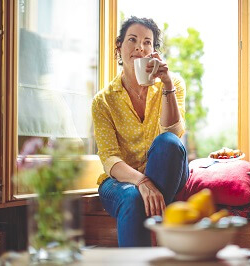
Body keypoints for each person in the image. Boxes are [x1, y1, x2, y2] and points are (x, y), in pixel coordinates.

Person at [91, 16, 189, 247]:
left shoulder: (173, 83)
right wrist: (142, 181)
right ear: (119, 47)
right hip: (120, 181)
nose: (139, 47)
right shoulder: (103, 101)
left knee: (167, 142)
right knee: (133, 197)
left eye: (147, 42)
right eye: (132, 40)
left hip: (167, 170)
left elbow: (173, 133)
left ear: (153, 51)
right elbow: (110, 159)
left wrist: (166, 85)